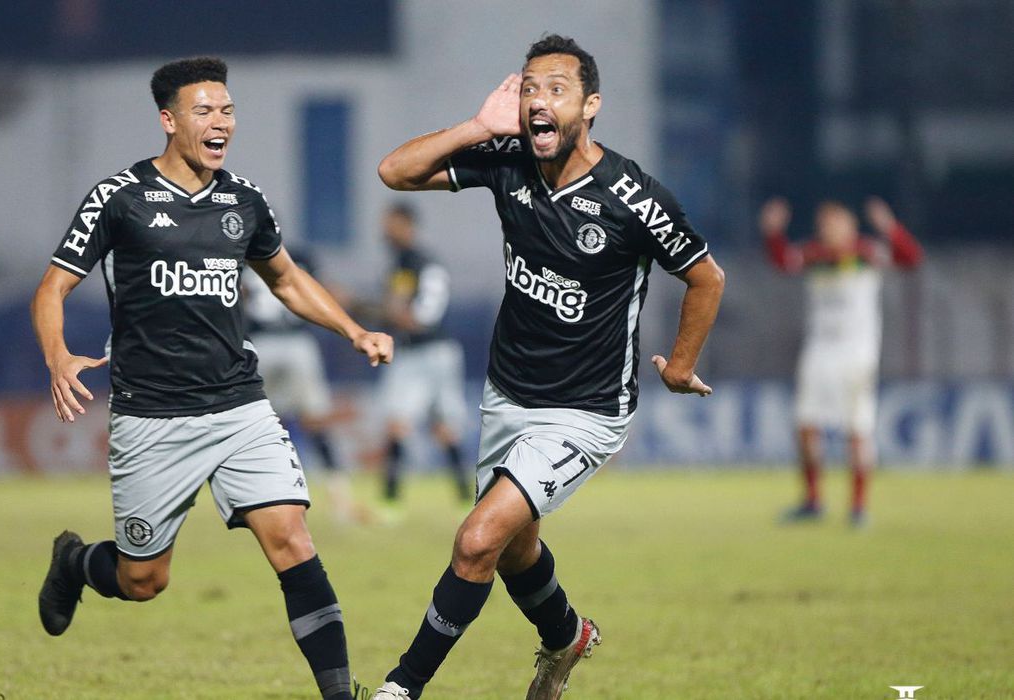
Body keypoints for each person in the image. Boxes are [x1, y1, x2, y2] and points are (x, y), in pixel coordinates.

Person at [368, 35, 725, 699]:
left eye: (556, 89)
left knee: (477, 540)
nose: (538, 100)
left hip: (584, 411)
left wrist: (680, 366)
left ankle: (401, 686)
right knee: (514, 549)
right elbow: (395, 171)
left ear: (590, 106)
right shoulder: (509, 160)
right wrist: (477, 127)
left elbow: (705, 276)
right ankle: (566, 637)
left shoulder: (633, 198)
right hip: (507, 395)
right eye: (529, 87)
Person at [32, 57, 392, 700]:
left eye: (227, 109)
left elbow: (286, 279)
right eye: (204, 110)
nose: (220, 121)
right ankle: (76, 562)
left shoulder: (243, 200)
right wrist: (58, 355)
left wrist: (353, 330)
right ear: (168, 120)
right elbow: (52, 287)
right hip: (150, 415)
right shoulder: (120, 197)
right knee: (144, 580)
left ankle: (341, 695)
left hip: (238, 406)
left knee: (291, 539)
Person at [760, 196, 923, 527]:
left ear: (850, 226)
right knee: (806, 424)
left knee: (856, 428)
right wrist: (772, 233)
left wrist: (889, 227)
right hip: (819, 349)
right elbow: (782, 261)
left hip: (857, 351)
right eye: (824, 224)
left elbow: (911, 258)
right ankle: (813, 501)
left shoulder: (867, 253)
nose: (829, 229)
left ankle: (858, 507)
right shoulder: (814, 255)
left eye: (835, 223)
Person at [242, 247, 359, 523]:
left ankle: (259, 499)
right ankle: (339, 498)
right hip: (297, 344)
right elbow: (321, 291)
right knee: (315, 421)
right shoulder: (298, 257)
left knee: (258, 423)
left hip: (263, 344)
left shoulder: (241, 256)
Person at [376, 202, 471, 509]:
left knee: (399, 423)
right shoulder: (420, 261)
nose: (385, 231)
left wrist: (356, 306)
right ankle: (464, 498)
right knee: (444, 428)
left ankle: (390, 502)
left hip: (421, 352)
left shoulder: (412, 262)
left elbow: (411, 316)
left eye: (390, 224)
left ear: (407, 224)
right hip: (439, 351)